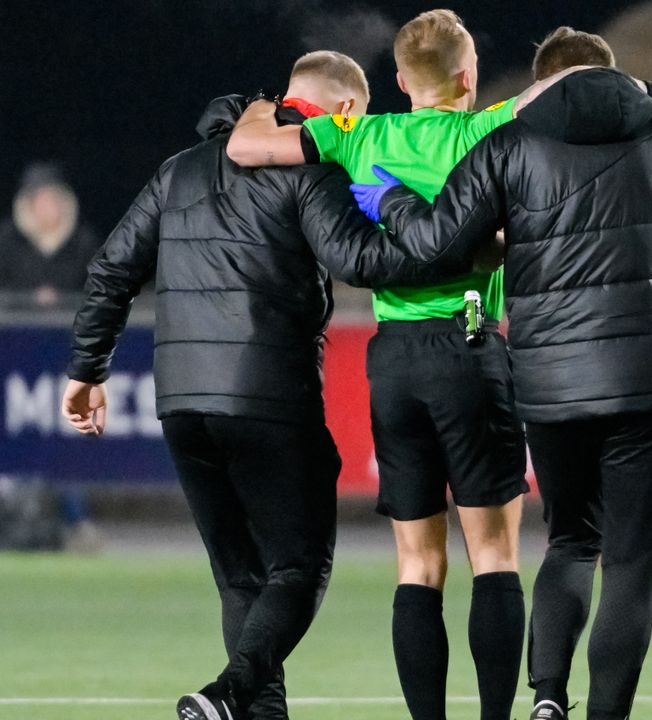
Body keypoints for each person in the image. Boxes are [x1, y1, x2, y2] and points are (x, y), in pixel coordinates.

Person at [353, 63, 652, 720]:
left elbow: (439, 243)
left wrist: (391, 202)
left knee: (571, 542)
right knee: (631, 566)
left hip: (554, 384)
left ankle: (548, 696)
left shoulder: (510, 144)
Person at [225, 12, 595, 720]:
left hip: (392, 360)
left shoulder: (358, 134)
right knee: (493, 556)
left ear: (398, 81)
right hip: (470, 346)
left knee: (418, 566)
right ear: (470, 75)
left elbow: (246, 147)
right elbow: (571, 86)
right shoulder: (488, 128)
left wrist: (257, 105)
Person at [62, 52, 439, 720]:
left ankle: (242, 707)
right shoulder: (309, 169)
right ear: (345, 112)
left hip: (180, 400)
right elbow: (361, 261)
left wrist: (88, 370)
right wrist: (439, 233)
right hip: (269, 394)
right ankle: (229, 692)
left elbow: (110, 271)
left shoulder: (178, 170)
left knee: (241, 579)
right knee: (298, 567)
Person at [0, 163, 101, 307]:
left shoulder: (83, 241)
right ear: (28, 203)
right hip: (16, 325)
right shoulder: (7, 240)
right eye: (40, 201)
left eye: (53, 200)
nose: (48, 207)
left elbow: (97, 288)